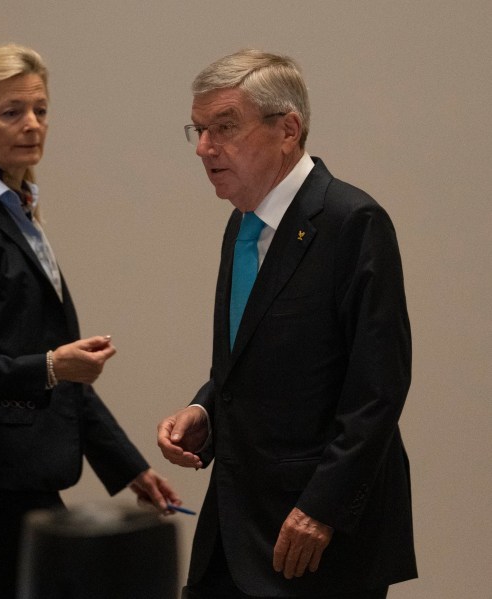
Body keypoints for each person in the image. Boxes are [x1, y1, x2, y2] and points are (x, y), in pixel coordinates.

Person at [0, 44, 181, 599]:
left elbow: (62, 368)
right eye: (11, 112)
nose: (33, 124)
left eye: (40, 110)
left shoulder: (19, 211)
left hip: (19, 474)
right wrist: (50, 366)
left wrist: (129, 468)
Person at [156, 49, 417, 598]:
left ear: (288, 129)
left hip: (314, 536)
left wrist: (320, 508)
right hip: (237, 520)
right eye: (199, 130)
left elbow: (377, 389)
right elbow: (248, 362)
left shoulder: (352, 222)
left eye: (224, 127)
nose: (205, 147)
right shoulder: (242, 225)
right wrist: (205, 409)